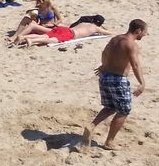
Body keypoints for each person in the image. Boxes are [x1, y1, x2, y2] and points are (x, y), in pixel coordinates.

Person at [82, 20, 148, 150]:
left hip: (105, 76)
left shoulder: (115, 39)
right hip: (118, 79)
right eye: (145, 32)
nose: (145, 35)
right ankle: (109, 142)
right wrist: (142, 82)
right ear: (138, 30)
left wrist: (104, 65)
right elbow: (135, 65)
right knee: (124, 110)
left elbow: (104, 53)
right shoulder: (131, 44)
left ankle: (92, 126)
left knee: (110, 106)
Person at [19, 17, 112, 47]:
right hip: (70, 34)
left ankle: (23, 37)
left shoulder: (84, 22)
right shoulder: (95, 28)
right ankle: (32, 41)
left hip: (65, 29)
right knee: (53, 40)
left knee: (46, 35)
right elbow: (109, 33)